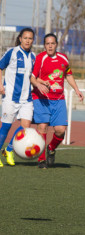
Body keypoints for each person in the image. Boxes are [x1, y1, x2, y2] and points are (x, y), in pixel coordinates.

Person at [30, 33, 84, 169]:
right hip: (41, 98)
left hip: (59, 99)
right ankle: (41, 160)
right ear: (44, 45)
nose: (50, 46)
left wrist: (77, 90)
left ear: (56, 45)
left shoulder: (63, 59)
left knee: (60, 130)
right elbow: (32, 77)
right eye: (47, 43)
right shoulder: (40, 58)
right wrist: (39, 85)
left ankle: (51, 148)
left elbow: (68, 75)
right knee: (42, 127)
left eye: (52, 43)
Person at [0, 28, 35, 167]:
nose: (27, 40)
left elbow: (32, 77)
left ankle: (9, 150)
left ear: (33, 40)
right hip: (10, 97)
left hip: (26, 99)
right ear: (20, 38)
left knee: (25, 127)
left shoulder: (33, 57)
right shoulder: (12, 52)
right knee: (6, 127)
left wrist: (41, 83)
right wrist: (0, 85)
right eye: (25, 38)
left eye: (30, 38)